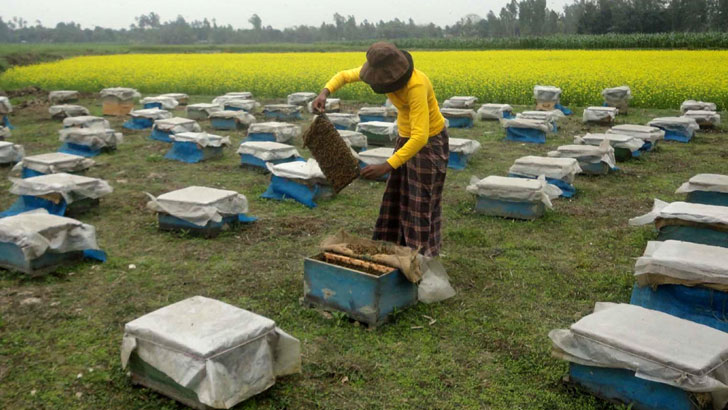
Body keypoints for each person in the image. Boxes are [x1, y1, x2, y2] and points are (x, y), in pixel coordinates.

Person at [312, 42, 448, 257]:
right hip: (405, 139)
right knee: (398, 195)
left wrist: (387, 165)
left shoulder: (416, 86)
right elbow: (344, 75)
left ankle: (422, 256)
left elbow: (420, 136)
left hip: (429, 143)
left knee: (420, 201)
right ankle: (398, 248)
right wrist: (324, 92)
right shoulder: (379, 70)